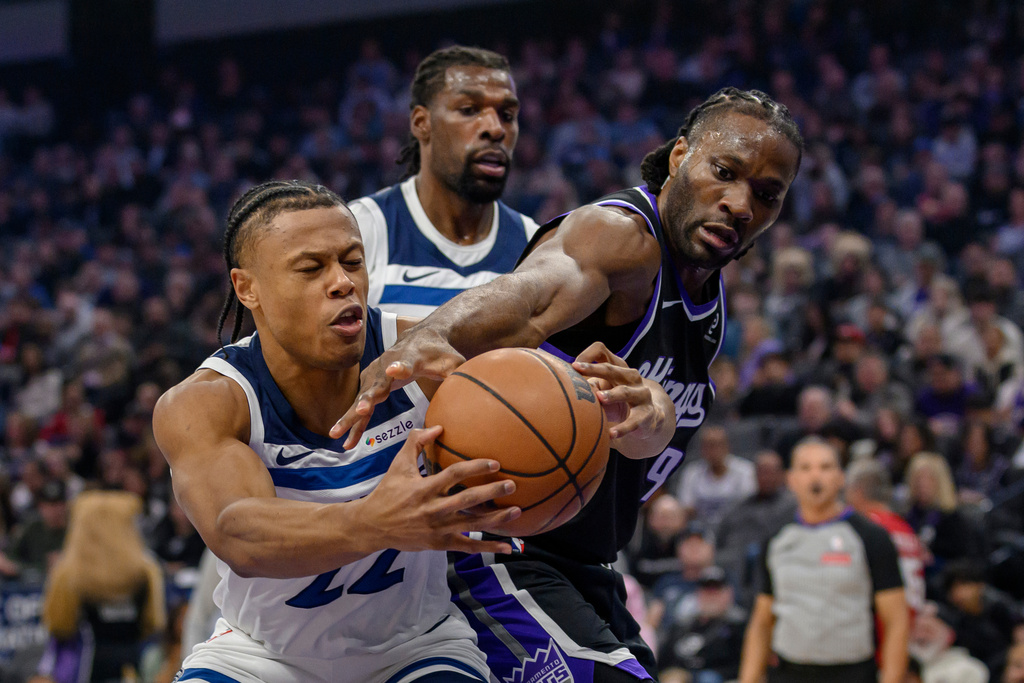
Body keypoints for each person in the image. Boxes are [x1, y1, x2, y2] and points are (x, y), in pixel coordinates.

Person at [332, 87, 804, 681]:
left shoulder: (707, 300)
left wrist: (652, 413)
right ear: (681, 155)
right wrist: (435, 334)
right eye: (725, 172)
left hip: (585, 562)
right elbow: (528, 298)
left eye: (766, 194)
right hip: (497, 547)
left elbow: (651, 427)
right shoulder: (621, 238)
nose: (740, 204)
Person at [152, 180, 526, 683]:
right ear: (246, 288)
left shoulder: (423, 359)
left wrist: (608, 405)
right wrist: (375, 521)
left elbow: (547, 379)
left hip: (416, 648)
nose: (342, 283)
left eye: (352, 262)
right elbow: (238, 535)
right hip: (261, 657)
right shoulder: (207, 403)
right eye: (311, 268)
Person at [349, 45, 539, 318]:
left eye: (507, 115)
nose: (496, 129)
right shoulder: (363, 230)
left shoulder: (535, 248)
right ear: (421, 123)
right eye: (469, 109)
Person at [738, 438, 909, 683]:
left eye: (825, 467)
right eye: (805, 468)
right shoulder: (776, 539)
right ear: (791, 479)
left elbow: (896, 620)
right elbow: (762, 621)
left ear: (841, 477)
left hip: (852, 673)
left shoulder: (871, 537)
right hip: (788, 672)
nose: (815, 476)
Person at [40, 490, 166, 683]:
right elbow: (152, 624)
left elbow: (59, 625)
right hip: (132, 669)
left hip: (86, 671)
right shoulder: (145, 573)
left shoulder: (69, 576)